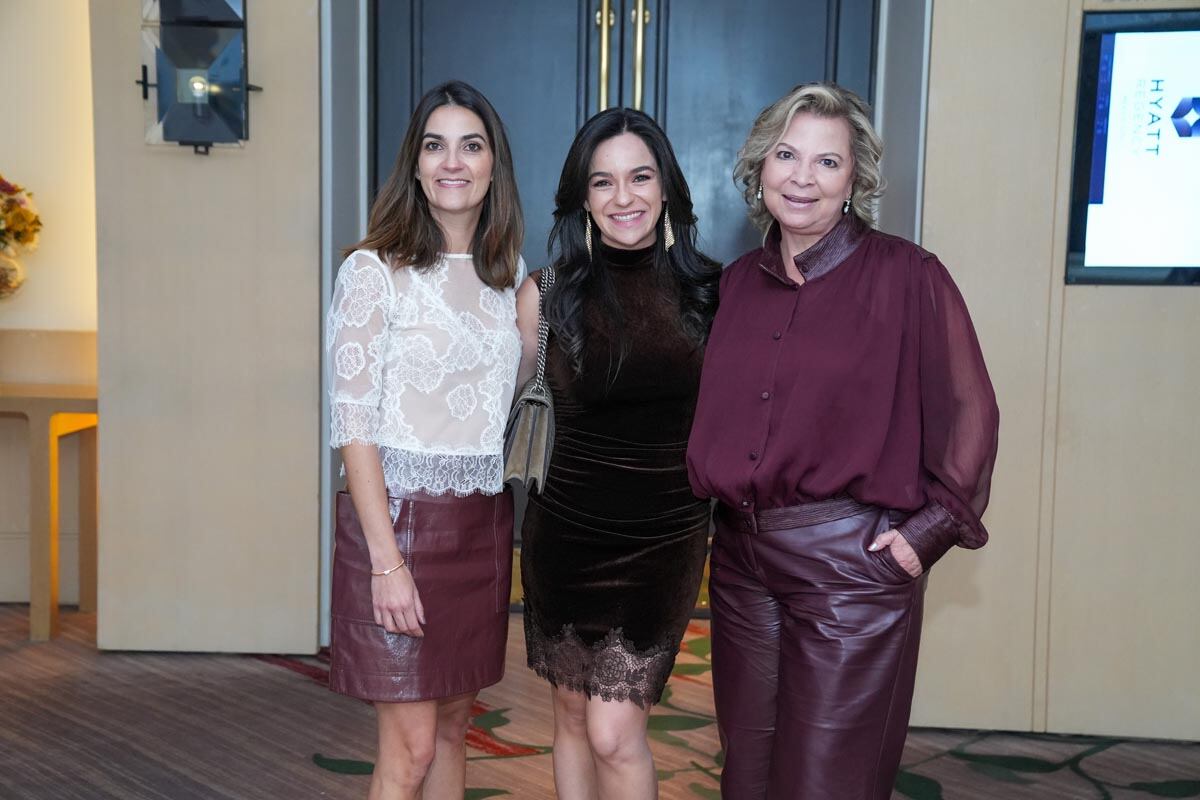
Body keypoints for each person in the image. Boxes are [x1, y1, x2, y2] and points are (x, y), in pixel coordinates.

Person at [686, 82, 1000, 800]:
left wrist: (928, 533)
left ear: (853, 180)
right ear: (760, 168)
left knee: (827, 784)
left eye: (827, 163)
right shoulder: (735, 286)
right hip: (740, 569)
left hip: (850, 568)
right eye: (786, 156)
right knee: (748, 778)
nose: (802, 177)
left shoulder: (907, 277)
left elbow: (971, 410)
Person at [325, 80, 524, 800]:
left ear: (493, 165)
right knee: (407, 749)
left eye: (471, 146)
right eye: (434, 145)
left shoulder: (510, 279)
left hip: (480, 529)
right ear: (414, 165)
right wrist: (386, 563)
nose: (452, 161)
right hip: (399, 528)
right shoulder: (374, 272)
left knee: (451, 730)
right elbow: (353, 427)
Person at [516, 107, 721, 800]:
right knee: (571, 717)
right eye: (602, 183)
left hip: (663, 543)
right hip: (563, 536)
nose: (623, 197)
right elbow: (504, 407)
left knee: (614, 734)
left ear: (667, 187)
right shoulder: (545, 295)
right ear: (582, 198)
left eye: (640, 177)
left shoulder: (711, 292)